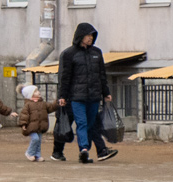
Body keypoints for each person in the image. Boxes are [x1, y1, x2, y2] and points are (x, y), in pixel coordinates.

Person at [56, 21, 118, 163]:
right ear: (80, 36)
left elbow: (102, 75)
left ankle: (87, 151)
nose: (90, 38)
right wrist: (63, 96)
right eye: (87, 35)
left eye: (92, 35)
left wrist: (106, 92)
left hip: (94, 96)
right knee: (82, 123)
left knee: (90, 124)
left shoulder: (97, 52)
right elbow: (65, 77)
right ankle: (84, 149)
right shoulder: (70, 54)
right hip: (77, 97)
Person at [17, 84, 51, 162]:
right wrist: (23, 124)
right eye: (35, 91)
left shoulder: (42, 103)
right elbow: (24, 115)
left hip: (39, 126)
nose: (38, 92)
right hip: (31, 127)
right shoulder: (28, 104)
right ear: (30, 94)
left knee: (39, 141)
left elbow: (50, 107)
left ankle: (37, 155)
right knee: (35, 139)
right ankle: (29, 152)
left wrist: (57, 104)